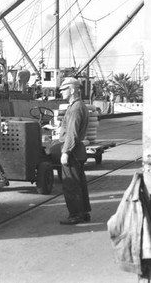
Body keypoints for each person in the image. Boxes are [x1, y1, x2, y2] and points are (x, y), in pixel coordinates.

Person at [56, 77, 91, 225]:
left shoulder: (76, 108)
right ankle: (83, 212)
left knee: (71, 184)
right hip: (77, 150)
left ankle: (75, 214)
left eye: (64, 89)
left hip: (73, 150)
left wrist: (66, 152)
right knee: (79, 182)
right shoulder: (78, 106)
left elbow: (72, 132)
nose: (61, 92)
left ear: (72, 90)